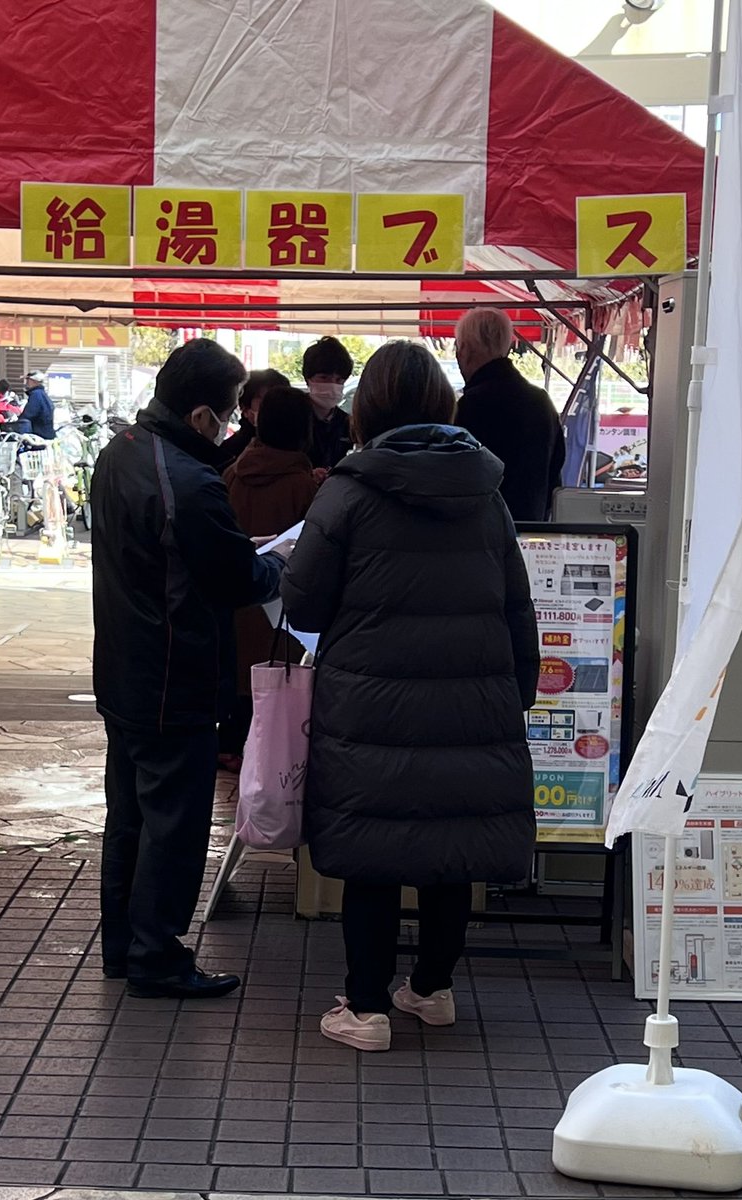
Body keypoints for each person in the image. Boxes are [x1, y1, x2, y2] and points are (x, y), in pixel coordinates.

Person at [281, 340, 539, 1052]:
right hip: (470, 700)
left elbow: (302, 604)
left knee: (375, 851)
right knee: (448, 849)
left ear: (368, 405)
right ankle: (430, 990)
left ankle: (364, 1009)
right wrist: (517, 692)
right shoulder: (486, 493)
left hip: (371, 705)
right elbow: (517, 605)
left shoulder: (350, 490)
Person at [91, 338, 292, 1000]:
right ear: (204, 414)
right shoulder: (189, 480)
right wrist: (276, 564)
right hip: (174, 675)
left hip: (123, 668)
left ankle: (123, 944)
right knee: (174, 822)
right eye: (231, 412)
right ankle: (156, 954)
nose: (232, 425)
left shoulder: (119, 453)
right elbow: (237, 577)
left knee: (130, 815)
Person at [219, 385, 319, 767]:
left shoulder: (231, 475)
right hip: (282, 614)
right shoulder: (304, 486)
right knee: (279, 686)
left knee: (241, 678)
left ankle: (229, 748)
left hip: (238, 603)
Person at [455, 309, 565, 521]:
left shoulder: (469, 406)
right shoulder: (541, 401)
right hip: (531, 531)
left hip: (480, 534)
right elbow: (555, 477)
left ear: (466, 350)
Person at [215, 367, 288, 471]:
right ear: (244, 408)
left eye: (281, 401)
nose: (275, 407)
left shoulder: (299, 446)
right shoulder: (228, 455)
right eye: (266, 401)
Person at [302, 335, 354, 470]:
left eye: (339, 380)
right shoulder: (292, 417)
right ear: (308, 379)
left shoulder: (347, 423)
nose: (332, 385)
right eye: (324, 378)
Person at [20, 370, 55, 440]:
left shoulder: (36, 395)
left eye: (28, 380)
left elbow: (28, 415)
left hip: (39, 436)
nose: (26, 383)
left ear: (34, 381)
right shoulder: (42, 394)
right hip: (47, 435)